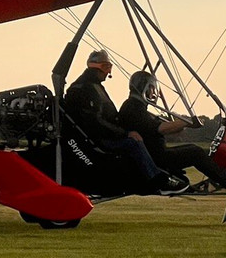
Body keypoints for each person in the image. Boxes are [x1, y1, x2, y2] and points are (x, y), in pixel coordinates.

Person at [63, 50, 188, 195]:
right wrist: (124, 133)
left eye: (109, 67)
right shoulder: (86, 88)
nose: (108, 72)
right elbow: (95, 121)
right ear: (96, 67)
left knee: (135, 137)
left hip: (99, 135)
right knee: (133, 142)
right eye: (105, 67)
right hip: (96, 139)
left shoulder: (93, 85)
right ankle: (158, 181)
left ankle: (162, 173)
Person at [118, 71, 226, 195]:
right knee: (195, 153)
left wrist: (182, 126)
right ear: (144, 88)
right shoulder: (133, 108)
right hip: (155, 158)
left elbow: (157, 129)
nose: (154, 93)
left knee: (193, 149)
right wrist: (186, 122)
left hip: (156, 154)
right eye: (152, 88)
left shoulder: (136, 106)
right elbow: (159, 128)